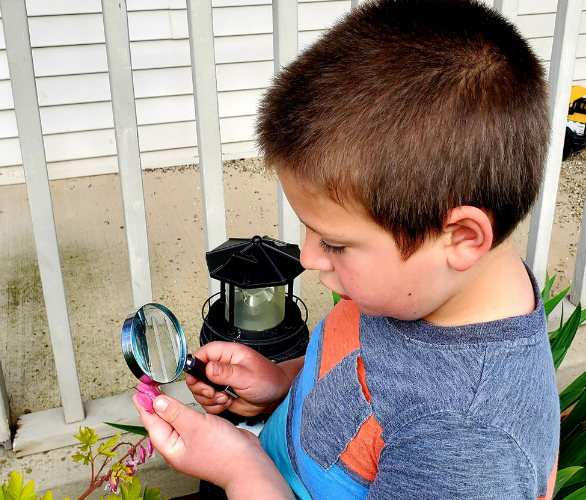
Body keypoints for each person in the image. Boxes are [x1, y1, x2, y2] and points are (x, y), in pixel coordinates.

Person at [132, 0, 560, 498]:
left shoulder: (467, 444)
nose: (309, 257)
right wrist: (281, 386)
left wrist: (241, 472)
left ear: (462, 238)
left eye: (334, 243)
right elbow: (363, 389)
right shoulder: (428, 285)